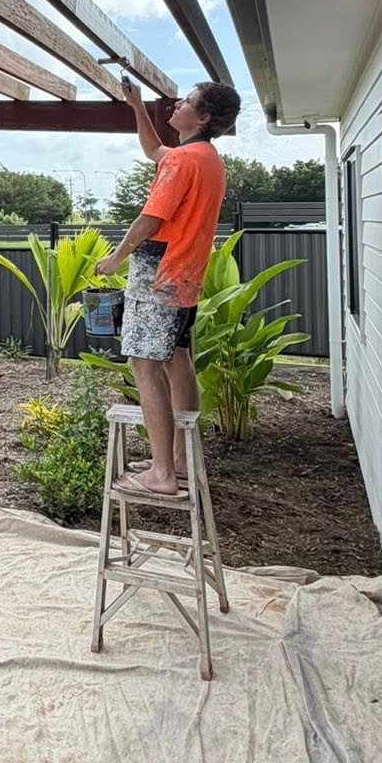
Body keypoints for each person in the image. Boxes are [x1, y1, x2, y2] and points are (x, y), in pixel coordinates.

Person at [95, 78, 242, 497]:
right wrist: (137, 107)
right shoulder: (205, 158)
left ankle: (161, 474)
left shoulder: (182, 161)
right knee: (178, 360)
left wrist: (115, 258)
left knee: (144, 366)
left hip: (159, 272)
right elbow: (153, 151)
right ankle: (178, 459)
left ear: (204, 116)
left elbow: (151, 219)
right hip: (185, 275)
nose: (177, 104)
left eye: (188, 101)